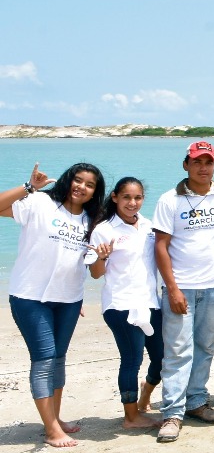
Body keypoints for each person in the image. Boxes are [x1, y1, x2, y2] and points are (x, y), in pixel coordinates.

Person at [2, 161, 104, 447]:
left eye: (89, 184)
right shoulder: (41, 203)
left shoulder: (90, 221)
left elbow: (84, 266)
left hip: (69, 300)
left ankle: (55, 420)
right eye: (78, 180)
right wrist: (28, 187)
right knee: (44, 359)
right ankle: (50, 430)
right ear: (68, 180)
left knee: (58, 360)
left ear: (95, 192)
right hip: (30, 297)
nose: (81, 187)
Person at [152, 141, 214, 442]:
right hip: (181, 288)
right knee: (177, 351)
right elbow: (160, 246)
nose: (204, 168)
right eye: (197, 162)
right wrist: (172, 289)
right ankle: (172, 413)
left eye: (209, 162)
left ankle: (197, 401)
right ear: (186, 165)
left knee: (204, 347)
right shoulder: (169, 200)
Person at [88, 177, 162, 430]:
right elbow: (96, 273)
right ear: (115, 198)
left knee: (162, 358)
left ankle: (144, 398)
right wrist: (100, 258)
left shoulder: (148, 226)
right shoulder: (104, 230)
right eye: (127, 197)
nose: (132, 203)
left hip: (151, 302)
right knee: (132, 359)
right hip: (121, 305)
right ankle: (131, 417)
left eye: (138, 198)